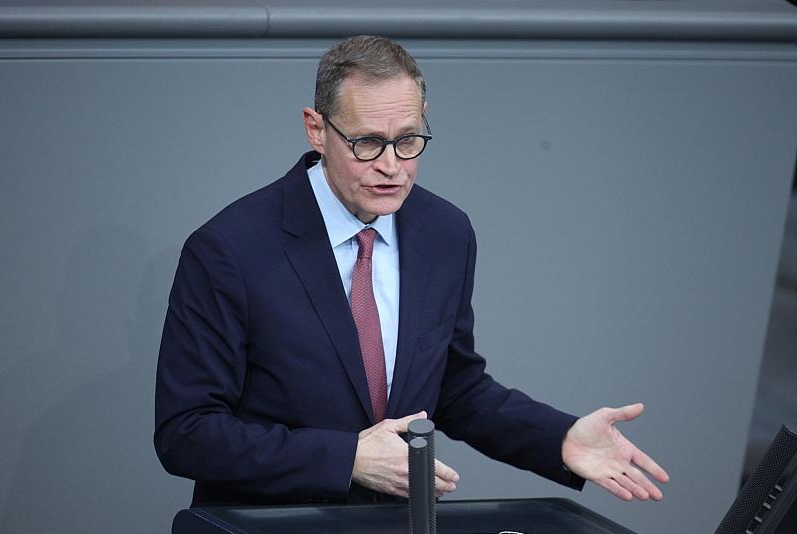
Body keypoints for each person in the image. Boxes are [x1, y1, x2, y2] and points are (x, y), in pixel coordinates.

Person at [154, 35, 668, 508]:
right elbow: (187, 433)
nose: (391, 165)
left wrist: (560, 438)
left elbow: (455, 387)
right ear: (317, 130)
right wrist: (347, 458)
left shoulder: (444, 232)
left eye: (408, 139)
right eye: (367, 142)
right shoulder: (230, 249)